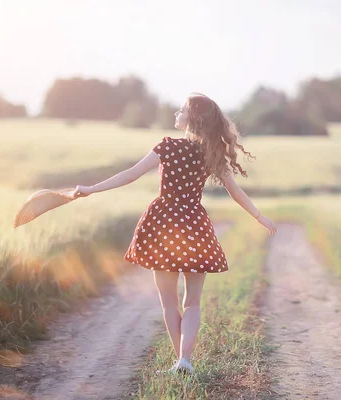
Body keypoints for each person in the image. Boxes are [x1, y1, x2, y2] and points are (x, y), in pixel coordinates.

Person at [73, 93, 277, 375]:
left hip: (163, 226)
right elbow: (236, 192)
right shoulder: (211, 153)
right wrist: (259, 216)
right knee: (192, 301)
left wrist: (91, 189)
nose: (175, 114)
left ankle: (179, 362)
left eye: (180, 110)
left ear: (191, 119)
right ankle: (185, 360)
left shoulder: (167, 147)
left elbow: (130, 174)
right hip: (194, 226)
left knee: (169, 302)